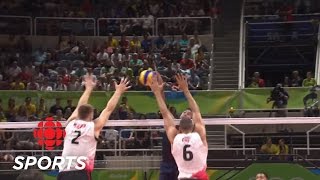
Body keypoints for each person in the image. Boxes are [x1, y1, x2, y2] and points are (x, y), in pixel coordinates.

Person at [58, 76, 130, 180]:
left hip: (64, 171)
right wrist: (118, 91)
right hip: (81, 172)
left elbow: (80, 106)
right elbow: (108, 109)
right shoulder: (93, 127)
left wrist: (88, 88)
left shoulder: (70, 123)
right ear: (91, 115)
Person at [150, 73, 208, 180]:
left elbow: (165, 113)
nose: (186, 114)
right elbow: (196, 111)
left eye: (188, 114)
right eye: (185, 113)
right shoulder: (199, 134)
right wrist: (185, 90)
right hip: (198, 176)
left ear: (180, 128)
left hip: (183, 175)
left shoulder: (175, 137)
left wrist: (157, 93)